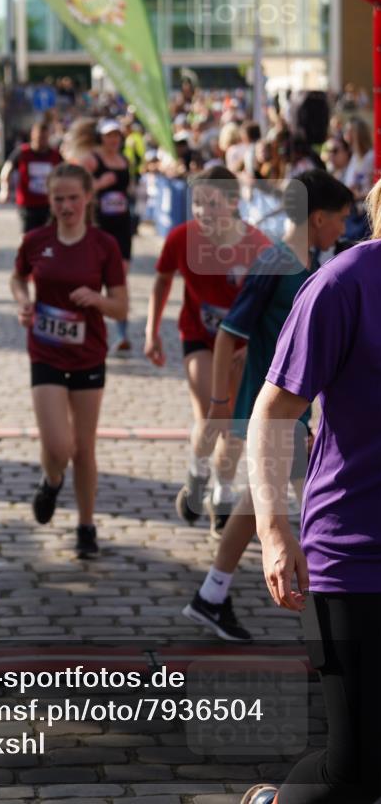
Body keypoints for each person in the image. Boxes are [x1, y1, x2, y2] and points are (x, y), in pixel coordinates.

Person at [241, 177, 381, 804]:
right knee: (356, 771)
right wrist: (273, 532)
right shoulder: (341, 286)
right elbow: (272, 414)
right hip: (355, 558)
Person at [182, 170, 353, 642]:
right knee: (321, 507)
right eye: (340, 219)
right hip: (274, 412)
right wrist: (220, 403)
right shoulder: (274, 263)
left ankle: (211, 596)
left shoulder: (311, 263)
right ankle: (333, 617)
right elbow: (228, 335)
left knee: (260, 498)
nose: (344, 228)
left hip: (293, 412)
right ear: (317, 218)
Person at [10, 162, 128, 559]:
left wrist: (98, 300)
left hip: (88, 353)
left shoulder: (103, 245)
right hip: (44, 350)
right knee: (58, 444)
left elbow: (122, 305)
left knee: (84, 447)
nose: (65, 206)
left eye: (73, 198)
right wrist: (24, 302)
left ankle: (86, 525)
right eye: (58, 198)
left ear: (88, 198)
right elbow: (17, 277)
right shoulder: (35, 240)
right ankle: (51, 478)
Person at [145, 166, 270, 534]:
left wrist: (254, 347)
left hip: (241, 346)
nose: (203, 212)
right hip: (199, 337)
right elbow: (162, 281)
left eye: (211, 204)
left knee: (235, 425)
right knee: (213, 414)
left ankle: (222, 497)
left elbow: (270, 306)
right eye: (197, 203)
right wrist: (151, 332)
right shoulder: (181, 239)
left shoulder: (258, 247)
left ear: (233, 203)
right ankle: (198, 473)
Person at [81, 119, 134, 352]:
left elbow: (127, 190)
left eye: (116, 135)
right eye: (108, 135)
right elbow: (77, 187)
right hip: (99, 225)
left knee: (120, 278)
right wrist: (100, 184)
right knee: (94, 278)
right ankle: (92, 329)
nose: (113, 140)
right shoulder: (92, 160)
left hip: (122, 226)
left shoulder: (125, 161)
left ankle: (122, 335)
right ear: (100, 137)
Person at [0, 119, 62, 234]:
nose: (41, 141)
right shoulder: (23, 152)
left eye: (44, 138)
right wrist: (5, 189)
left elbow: (64, 174)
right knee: (29, 236)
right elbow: (7, 169)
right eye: (38, 138)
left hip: (48, 203)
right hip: (27, 204)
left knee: (48, 235)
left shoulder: (55, 155)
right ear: (32, 136)